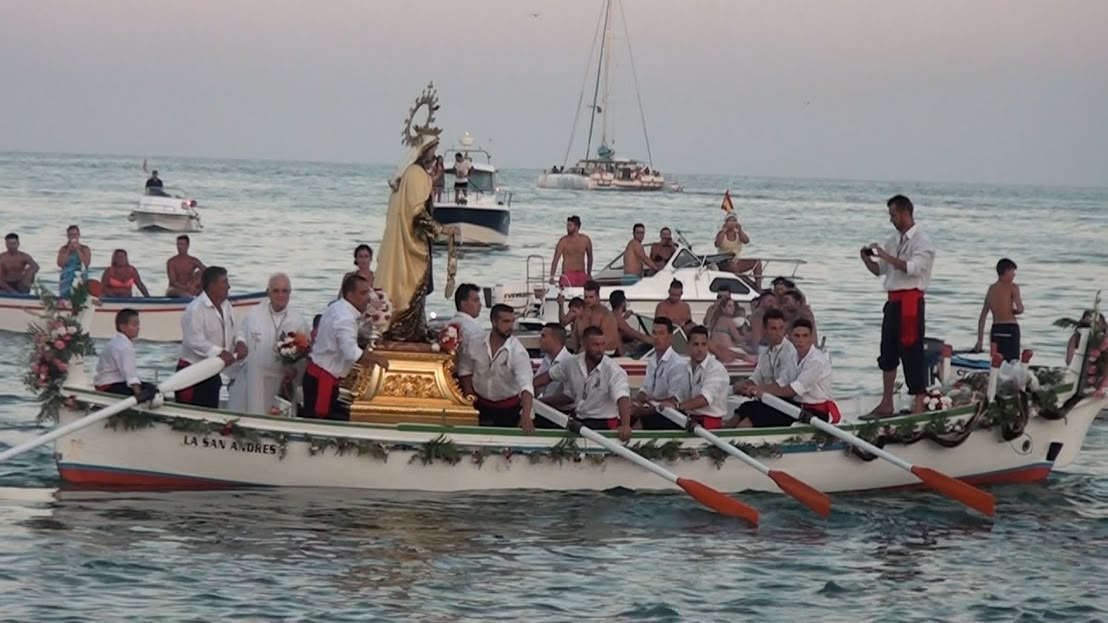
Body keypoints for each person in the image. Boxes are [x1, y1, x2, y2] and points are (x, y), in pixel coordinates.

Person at [376, 110, 457, 343]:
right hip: (414, 244)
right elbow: (417, 212)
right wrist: (442, 230)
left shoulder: (409, 174)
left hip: (407, 240)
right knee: (414, 287)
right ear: (425, 149)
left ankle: (414, 328)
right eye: (433, 148)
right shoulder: (417, 174)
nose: (435, 153)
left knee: (412, 287)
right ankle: (407, 331)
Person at [860, 194, 936, 416]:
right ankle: (886, 402)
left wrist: (885, 255)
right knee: (888, 350)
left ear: (905, 213)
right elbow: (881, 270)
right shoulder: (893, 241)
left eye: (893, 215)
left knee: (912, 350)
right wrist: (868, 260)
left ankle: (919, 402)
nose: (891, 219)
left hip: (911, 301)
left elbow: (912, 268)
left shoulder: (922, 241)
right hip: (893, 301)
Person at [304, 274, 390, 419]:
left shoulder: (338, 307)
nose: (368, 297)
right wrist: (377, 359)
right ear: (350, 295)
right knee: (317, 424)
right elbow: (351, 352)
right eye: (363, 293)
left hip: (322, 376)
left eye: (368, 293)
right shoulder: (344, 317)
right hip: (322, 380)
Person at [228, 273, 310, 415]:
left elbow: (305, 352)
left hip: (282, 379)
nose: (281, 295)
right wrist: (240, 343)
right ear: (268, 292)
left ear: (290, 293)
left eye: (285, 291)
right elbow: (239, 332)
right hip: (255, 376)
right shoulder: (254, 314)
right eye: (276, 291)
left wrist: (295, 369)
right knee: (253, 411)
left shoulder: (298, 320)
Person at [534, 326, 633, 441]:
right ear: (584, 344)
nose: (600, 349)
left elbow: (623, 398)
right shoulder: (572, 363)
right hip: (579, 420)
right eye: (595, 345)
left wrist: (625, 425)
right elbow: (548, 376)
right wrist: (527, 388)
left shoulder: (614, 371)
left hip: (603, 423)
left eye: (602, 344)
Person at [741, 318, 838, 427]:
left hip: (814, 413)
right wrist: (755, 387)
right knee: (748, 407)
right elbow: (781, 383)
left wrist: (760, 389)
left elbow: (791, 391)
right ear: (790, 337)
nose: (801, 340)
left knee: (757, 416)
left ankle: (739, 437)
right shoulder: (793, 357)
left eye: (805, 336)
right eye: (797, 336)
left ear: (811, 338)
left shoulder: (816, 361)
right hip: (796, 407)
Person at [176, 266, 246, 408]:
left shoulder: (227, 306)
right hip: (192, 373)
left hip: (213, 372)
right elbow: (194, 341)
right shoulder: (195, 309)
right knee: (191, 417)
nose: (229, 286)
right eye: (225, 282)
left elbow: (236, 328)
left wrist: (240, 341)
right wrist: (219, 352)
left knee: (210, 414)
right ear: (212, 286)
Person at [457, 304, 535, 430]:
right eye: (506, 321)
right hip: (479, 405)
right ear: (493, 322)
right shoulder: (475, 342)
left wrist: (526, 416)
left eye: (512, 321)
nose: (510, 326)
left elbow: (526, 385)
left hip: (508, 409)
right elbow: (465, 369)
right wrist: (469, 397)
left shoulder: (518, 351)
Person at [732, 309, 800, 427]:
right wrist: (743, 385)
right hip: (768, 401)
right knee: (737, 416)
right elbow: (756, 377)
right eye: (773, 329)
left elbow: (781, 385)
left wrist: (754, 388)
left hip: (786, 404)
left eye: (781, 328)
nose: (778, 332)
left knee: (744, 424)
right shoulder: (765, 353)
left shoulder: (791, 352)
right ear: (765, 330)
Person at [657, 325, 731, 430]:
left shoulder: (716, 368)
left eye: (703, 344)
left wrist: (677, 406)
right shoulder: (685, 367)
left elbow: (704, 399)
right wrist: (665, 403)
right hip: (689, 418)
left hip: (708, 422)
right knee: (652, 418)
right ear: (688, 347)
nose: (700, 349)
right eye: (696, 344)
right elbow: (679, 396)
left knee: (654, 422)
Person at [633, 317, 689, 428]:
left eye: (661, 333)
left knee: (638, 421)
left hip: (668, 414)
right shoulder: (652, 360)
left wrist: (646, 407)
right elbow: (645, 389)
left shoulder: (677, 364)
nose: (656, 337)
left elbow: (674, 400)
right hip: (653, 409)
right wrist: (635, 402)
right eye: (654, 333)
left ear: (670, 337)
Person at [93, 308, 155, 397]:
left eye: (138, 325)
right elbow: (130, 373)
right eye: (134, 325)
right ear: (122, 327)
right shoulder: (124, 346)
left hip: (103, 383)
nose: (138, 328)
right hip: (109, 386)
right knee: (152, 389)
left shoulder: (115, 341)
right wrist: (139, 394)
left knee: (148, 387)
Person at [974, 258, 1024, 361]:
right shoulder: (1013, 287)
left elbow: (982, 318)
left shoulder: (991, 289)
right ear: (1006, 271)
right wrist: (1015, 311)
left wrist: (980, 341)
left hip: (996, 330)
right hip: (1010, 329)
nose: (1014, 275)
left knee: (996, 363)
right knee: (1012, 363)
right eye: (1012, 271)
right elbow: (1020, 309)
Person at [715, 214, 763, 288]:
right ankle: (749, 284)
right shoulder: (721, 233)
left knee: (757, 262)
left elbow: (746, 241)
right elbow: (717, 244)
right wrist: (723, 231)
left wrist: (740, 230)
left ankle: (758, 286)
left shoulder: (738, 234)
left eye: (734, 220)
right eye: (730, 221)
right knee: (733, 266)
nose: (732, 223)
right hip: (724, 261)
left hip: (736, 260)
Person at [572, 280, 619, 352]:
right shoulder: (582, 313)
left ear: (598, 297)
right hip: (582, 353)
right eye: (586, 297)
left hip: (604, 353)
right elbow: (575, 337)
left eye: (591, 297)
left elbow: (609, 342)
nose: (587, 300)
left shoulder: (606, 315)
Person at [549, 216, 594, 287]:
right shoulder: (563, 241)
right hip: (568, 274)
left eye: (569, 225)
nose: (567, 228)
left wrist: (589, 273)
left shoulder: (585, 240)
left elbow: (590, 257)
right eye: (567, 225)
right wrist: (552, 276)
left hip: (581, 273)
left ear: (576, 227)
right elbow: (555, 260)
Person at [535, 322, 573, 402]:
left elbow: (569, 396)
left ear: (555, 340)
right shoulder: (547, 359)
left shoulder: (569, 362)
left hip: (560, 412)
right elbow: (537, 385)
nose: (539, 340)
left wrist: (543, 402)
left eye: (543, 336)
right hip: (544, 408)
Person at [609, 290, 651, 355]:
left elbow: (617, 326)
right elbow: (635, 334)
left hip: (614, 351)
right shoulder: (619, 319)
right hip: (619, 353)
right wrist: (654, 341)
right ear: (623, 303)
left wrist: (624, 318)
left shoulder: (611, 315)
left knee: (633, 344)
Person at [450, 282, 483, 364]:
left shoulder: (449, 324)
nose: (480, 305)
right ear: (463, 304)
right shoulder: (473, 330)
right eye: (475, 301)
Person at [55, 225, 91, 298]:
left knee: (80, 297)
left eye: (75, 234)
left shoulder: (84, 248)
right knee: (65, 298)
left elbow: (86, 263)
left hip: (80, 277)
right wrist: (68, 250)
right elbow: (60, 263)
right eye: (71, 235)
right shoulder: (63, 249)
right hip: (66, 279)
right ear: (68, 236)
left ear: (78, 235)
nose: (73, 237)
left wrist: (78, 250)